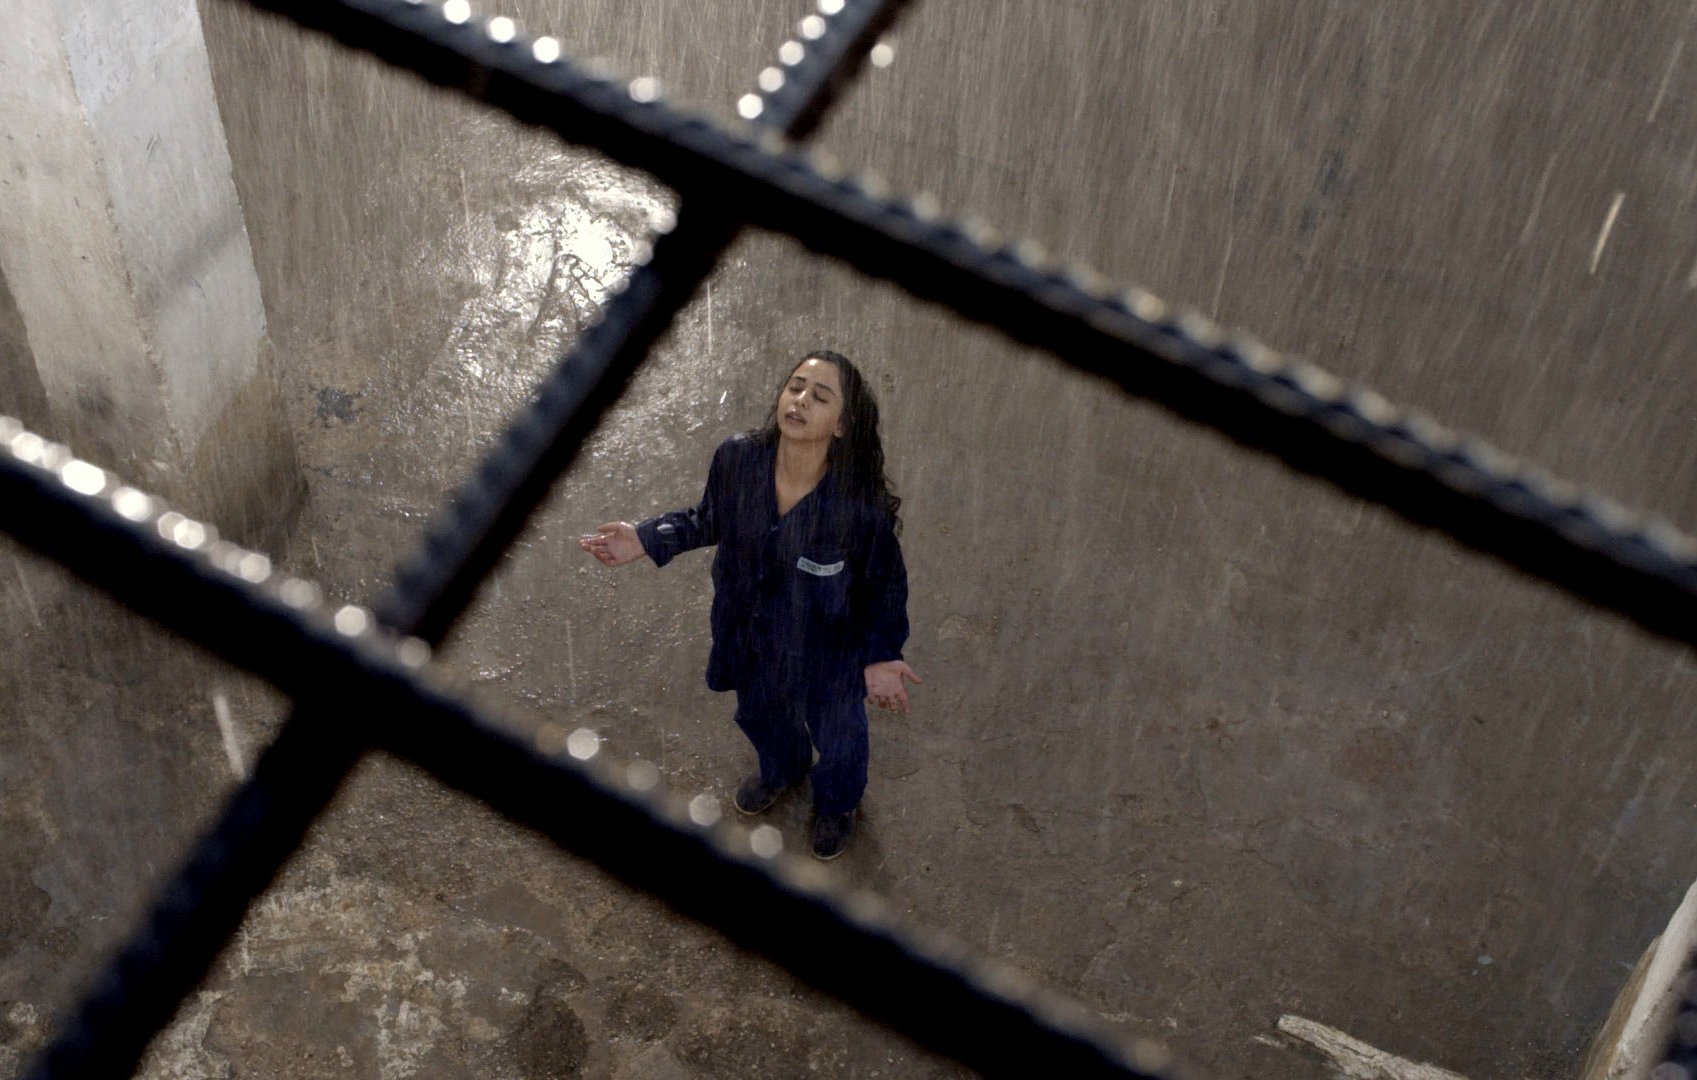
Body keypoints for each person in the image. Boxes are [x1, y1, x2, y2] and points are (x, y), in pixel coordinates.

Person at [579, 350, 920, 860]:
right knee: (763, 717)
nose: (800, 399)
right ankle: (783, 769)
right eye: (795, 386)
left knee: (842, 741)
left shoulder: (857, 511)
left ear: (843, 426)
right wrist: (648, 538)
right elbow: (709, 518)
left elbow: (885, 588)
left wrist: (882, 654)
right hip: (752, 636)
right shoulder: (738, 459)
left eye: (820, 396)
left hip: (829, 656)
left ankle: (835, 804)